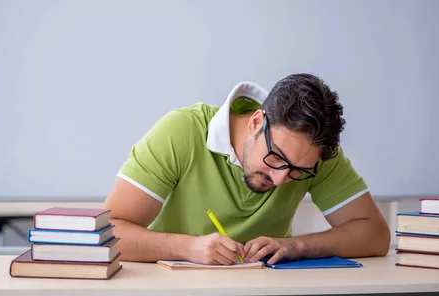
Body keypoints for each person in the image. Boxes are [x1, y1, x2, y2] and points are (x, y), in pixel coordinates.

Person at [102, 73, 390, 265]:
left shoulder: (314, 155)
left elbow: (375, 235)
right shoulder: (181, 132)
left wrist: (296, 247)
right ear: (256, 122)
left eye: (297, 171)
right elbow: (109, 234)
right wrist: (187, 248)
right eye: (276, 157)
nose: (280, 179)